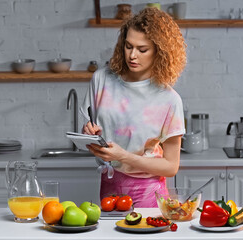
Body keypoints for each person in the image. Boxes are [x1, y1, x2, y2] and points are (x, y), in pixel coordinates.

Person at [79, 7, 187, 207]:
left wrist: (123, 156)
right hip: (108, 187)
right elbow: (90, 127)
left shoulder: (169, 99)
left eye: (142, 49)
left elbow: (171, 166)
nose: (132, 56)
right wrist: (89, 132)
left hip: (149, 195)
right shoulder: (102, 79)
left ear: (159, 52)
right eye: (128, 46)